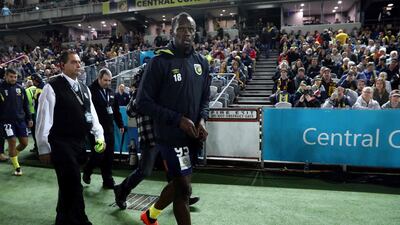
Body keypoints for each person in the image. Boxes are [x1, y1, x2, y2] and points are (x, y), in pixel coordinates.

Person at [136, 12, 210, 225]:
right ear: (172, 31)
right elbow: (143, 102)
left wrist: (202, 119)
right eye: (181, 28)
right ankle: (151, 216)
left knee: (180, 185)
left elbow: (205, 98)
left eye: (190, 29)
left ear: (195, 33)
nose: (186, 33)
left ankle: (150, 215)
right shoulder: (159, 62)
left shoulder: (201, 62)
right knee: (184, 189)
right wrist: (178, 119)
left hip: (192, 137)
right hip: (169, 136)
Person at [36, 50, 105, 225]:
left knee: (67, 185)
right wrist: (43, 148)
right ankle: (81, 220)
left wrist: (99, 135)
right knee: (74, 183)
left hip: (79, 142)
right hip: (60, 142)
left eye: (79, 62)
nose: (78, 65)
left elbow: (92, 114)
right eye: (73, 62)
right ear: (62, 65)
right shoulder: (51, 87)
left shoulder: (83, 88)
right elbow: (44, 120)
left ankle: (62, 219)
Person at [82, 68, 124, 189]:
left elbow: (115, 110)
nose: (108, 83)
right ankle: (88, 170)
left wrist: (120, 124)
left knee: (109, 155)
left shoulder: (111, 92)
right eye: (105, 80)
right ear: (99, 78)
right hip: (95, 131)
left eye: (109, 80)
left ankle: (107, 180)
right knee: (98, 155)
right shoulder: (89, 91)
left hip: (109, 129)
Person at [0, 69, 32, 175]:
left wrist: (29, 118)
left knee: (24, 143)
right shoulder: (0, 88)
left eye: (15, 77)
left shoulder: (20, 88)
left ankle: (13, 155)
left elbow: (26, 105)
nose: (13, 79)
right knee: (12, 141)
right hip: (6, 122)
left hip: (21, 121)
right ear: (6, 76)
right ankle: (17, 167)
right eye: (11, 77)